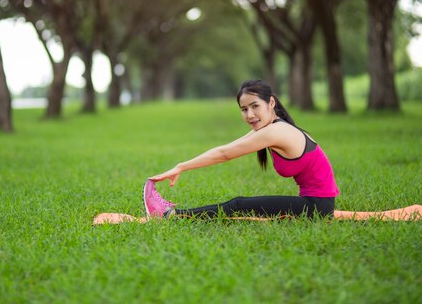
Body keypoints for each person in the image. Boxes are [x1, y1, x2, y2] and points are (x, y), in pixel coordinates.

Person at [144, 79, 339, 220]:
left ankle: (171, 216)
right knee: (240, 205)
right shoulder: (271, 128)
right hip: (315, 202)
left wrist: (180, 167)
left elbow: (224, 155)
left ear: (271, 103)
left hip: (317, 207)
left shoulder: (276, 131)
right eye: (244, 109)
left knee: (239, 205)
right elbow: (226, 149)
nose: (250, 114)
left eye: (255, 106)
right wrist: (181, 166)